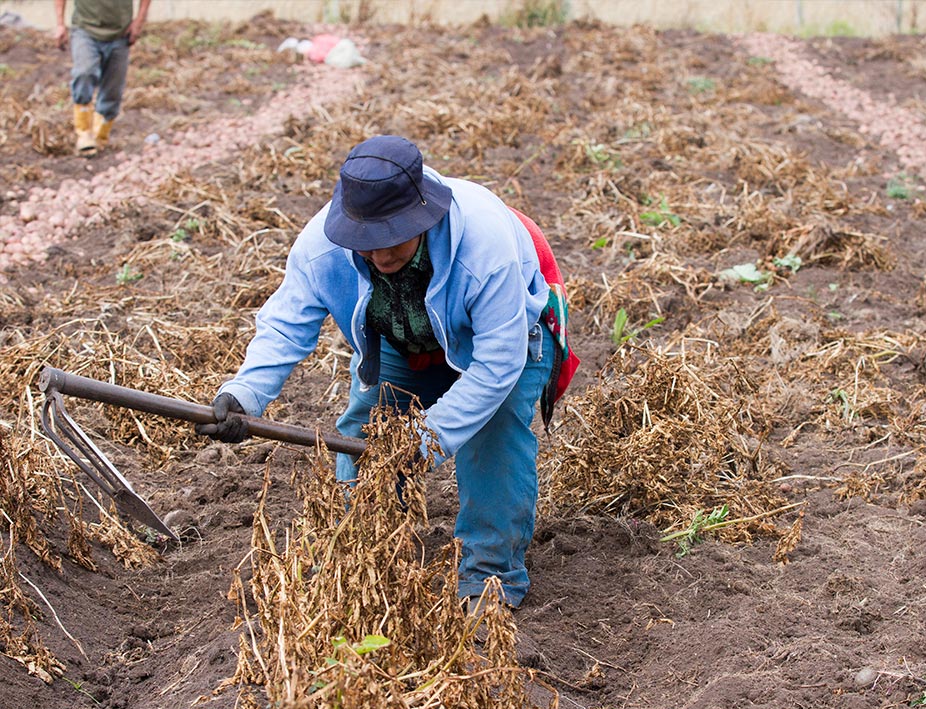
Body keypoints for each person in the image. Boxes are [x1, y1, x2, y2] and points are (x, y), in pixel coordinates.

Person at [195, 135, 578, 610]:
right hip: (407, 338)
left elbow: (497, 366)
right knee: (367, 428)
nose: (380, 256)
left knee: (492, 436)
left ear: (424, 214)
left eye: (393, 238)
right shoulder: (322, 246)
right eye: (367, 243)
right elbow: (285, 325)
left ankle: (489, 577)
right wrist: (245, 392)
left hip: (506, 335)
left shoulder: (483, 247)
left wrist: (426, 439)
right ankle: (357, 558)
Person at [54, 0, 151, 156]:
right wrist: (60, 24)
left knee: (113, 89)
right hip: (85, 30)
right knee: (84, 73)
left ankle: (100, 136)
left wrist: (139, 21)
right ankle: (84, 133)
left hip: (120, 34)